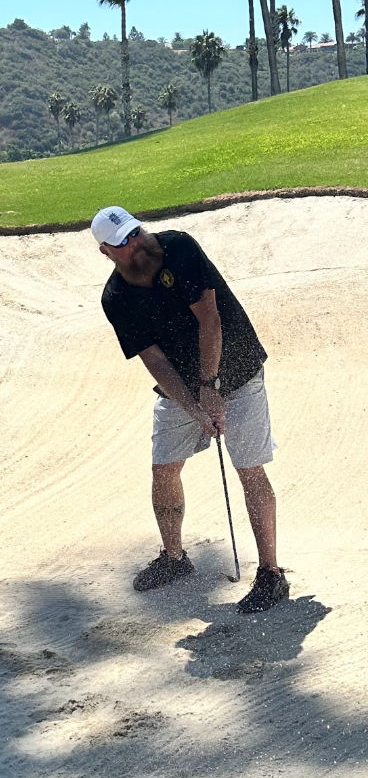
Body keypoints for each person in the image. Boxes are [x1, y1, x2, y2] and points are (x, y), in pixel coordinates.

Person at [93, 204, 289, 614]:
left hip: (236, 368)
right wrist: (195, 406)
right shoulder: (115, 298)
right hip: (182, 385)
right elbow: (154, 360)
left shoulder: (179, 248)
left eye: (135, 233)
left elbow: (210, 320)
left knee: (249, 469)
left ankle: (271, 574)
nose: (135, 244)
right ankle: (174, 558)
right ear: (105, 252)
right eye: (122, 242)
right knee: (164, 468)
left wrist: (210, 388)